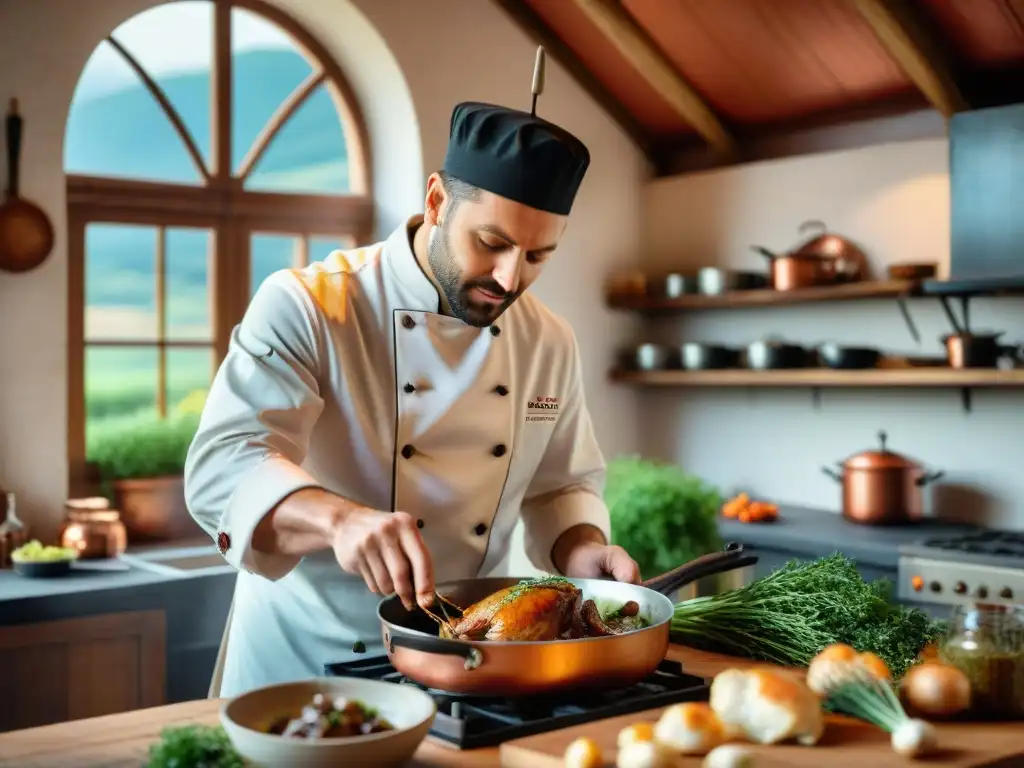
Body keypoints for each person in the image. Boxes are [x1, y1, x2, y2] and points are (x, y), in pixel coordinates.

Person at [185, 97, 641, 698]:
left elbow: (561, 485)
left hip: (472, 663)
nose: (510, 279)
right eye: (492, 242)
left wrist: (582, 549)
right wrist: (339, 519)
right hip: (310, 658)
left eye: (536, 257)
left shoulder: (547, 339)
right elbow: (224, 465)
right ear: (435, 202)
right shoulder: (311, 304)